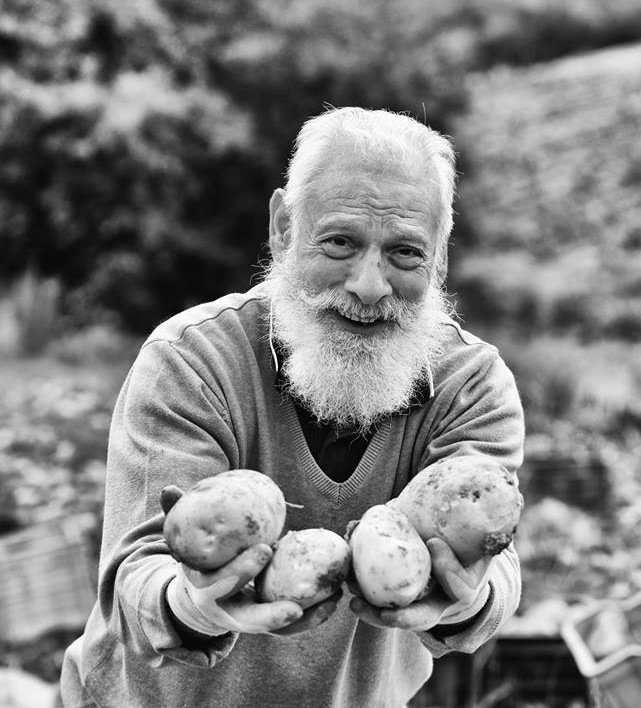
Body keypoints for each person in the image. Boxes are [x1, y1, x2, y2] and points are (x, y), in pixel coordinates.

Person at [60, 107, 524, 708]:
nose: (369, 285)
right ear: (283, 226)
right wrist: (192, 604)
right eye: (340, 242)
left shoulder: (473, 385)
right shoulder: (193, 360)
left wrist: (469, 601)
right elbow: (138, 574)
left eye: (405, 252)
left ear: (439, 255)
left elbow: (498, 562)